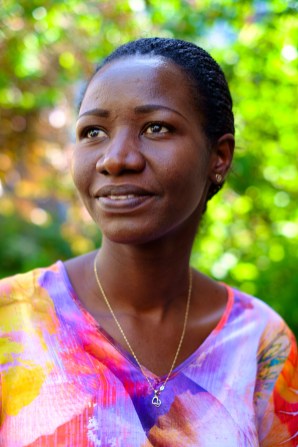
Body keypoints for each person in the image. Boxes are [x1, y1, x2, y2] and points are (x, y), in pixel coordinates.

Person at [0, 37, 297, 447]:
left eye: (156, 128)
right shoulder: (11, 322)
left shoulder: (261, 344)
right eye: (94, 132)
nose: (116, 158)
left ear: (219, 157)